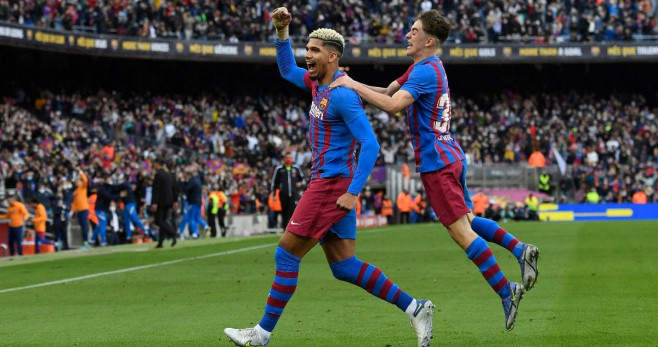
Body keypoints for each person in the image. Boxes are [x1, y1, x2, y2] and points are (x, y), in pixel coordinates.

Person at [224, 8, 434, 347]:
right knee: (345, 266)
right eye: (306, 49)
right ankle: (416, 307)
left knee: (286, 254)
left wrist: (352, 192)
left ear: (333, 56)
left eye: (314, 50)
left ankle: (261, 335)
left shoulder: (342, 95)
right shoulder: (317, 85)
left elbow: (370, 144)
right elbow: (285, 68)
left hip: (331, 185)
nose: (307, 55)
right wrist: (282, 31)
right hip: (329, 183)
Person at [330, 9, 539, 331]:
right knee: (467, 220)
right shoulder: (425, 67)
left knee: (460, 232)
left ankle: (505, 289)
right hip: (449, 154)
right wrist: (350, 81)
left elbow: (392, 106)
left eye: (413, 31)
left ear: (429, 39)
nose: (407, 35)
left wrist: (349, 85)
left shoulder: (424, 73)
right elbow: (387, 91)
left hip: (437, 162)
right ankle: (519, 248)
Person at [270, 153, 304, 231]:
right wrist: (274, 194)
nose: (289, 159)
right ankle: (285, 229)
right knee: (284, 211)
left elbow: (302, 179)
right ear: (284, 159)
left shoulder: (296, 168)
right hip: (283, 194)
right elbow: (274, 182)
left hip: (294, 193)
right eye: (287, 158)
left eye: (290, 158)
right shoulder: (279, 169)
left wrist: (300, 184)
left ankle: (292, 228)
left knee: (293, 210)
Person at [151, 157, 180, 248]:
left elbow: (156, 190)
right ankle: (160, 242)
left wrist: (154, 202)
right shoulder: (170, 175)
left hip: (161, 201)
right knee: (163, 221)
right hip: (169, 201)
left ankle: (173, 233)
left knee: (158, 220)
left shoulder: (158, 175)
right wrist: (175, 200)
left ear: (158, 164)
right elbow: (175, 188)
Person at [71, 167, 91, 249]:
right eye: (76, 181)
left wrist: (80, 172)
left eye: (78, 181)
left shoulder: (83, 188)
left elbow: (85, 180)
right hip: (79, 211)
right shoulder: (75, 192)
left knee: (84, 225)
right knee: (82, 226)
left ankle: (86, 242)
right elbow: (74, 203)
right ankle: (85, 241)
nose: (77, 182)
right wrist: (72, 211)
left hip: (84, 209)